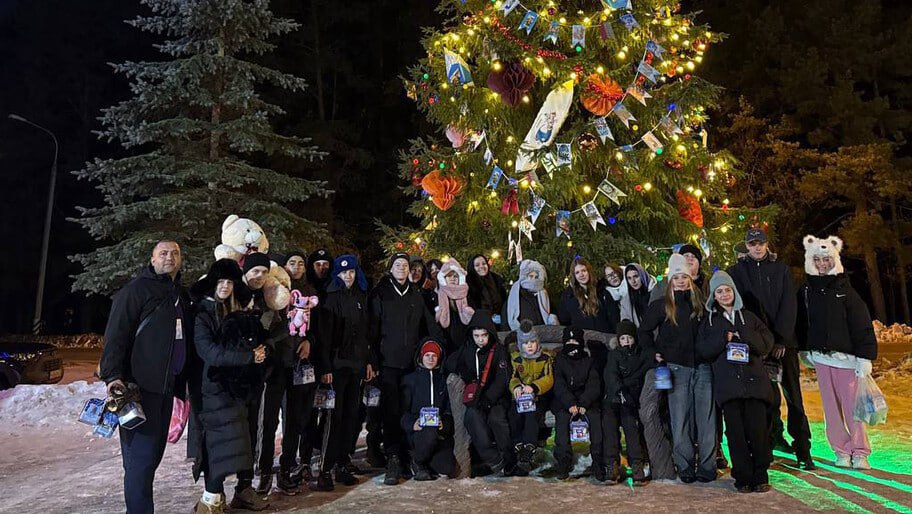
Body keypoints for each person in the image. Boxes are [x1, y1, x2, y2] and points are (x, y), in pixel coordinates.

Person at [100, 240, 191, 514]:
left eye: (175, 253)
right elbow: (116, 335)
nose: (169, 257)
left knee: (152, 457)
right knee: (140, 460)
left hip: (166, 388)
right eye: (163, 253)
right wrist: (112, 376)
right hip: (138, 390)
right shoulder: (136, 291)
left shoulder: (179, 293)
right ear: (152, 260)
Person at [727, 228, 813, 470]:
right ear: (746, 246)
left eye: (760, 243)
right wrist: (759, 341)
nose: (757, 247)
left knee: (793, 396)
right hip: (757, 346)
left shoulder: (781, 270)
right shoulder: (736, 273)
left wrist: (781, 340)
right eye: (752, 243)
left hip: (784, 345)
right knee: (765, 398)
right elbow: (741, 309)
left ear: (767, 245)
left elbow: (789, 304)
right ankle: (770, 441)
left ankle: (802, 448)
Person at [190, 259, 269, 513]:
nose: (225, 286)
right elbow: (209, 352)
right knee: (219, 445)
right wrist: (249, 357)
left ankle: (232, 494)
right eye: (221, 281)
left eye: (230, 282)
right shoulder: (202, 314)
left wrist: (260, 350)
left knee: (237, 442)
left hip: (237, 389)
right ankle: (211, 499)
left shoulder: (238, 311)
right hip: (213, 388)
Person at [797, 235, 877, 470]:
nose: (822, 264)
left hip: (846, 360)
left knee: (853, 408)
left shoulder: (845, 290)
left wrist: (865, 356)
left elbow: (861, 324)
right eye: (817, 260)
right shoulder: (806, 291)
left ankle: (860, 451)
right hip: (821, 360)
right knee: (831, 410)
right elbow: (801, 322)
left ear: (834, 261)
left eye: (826, 260)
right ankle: (841, 450)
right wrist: (804, 348)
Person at [639, 253, 715, 483]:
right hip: (676, 369)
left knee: (706, 419)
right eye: (676, 277)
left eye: (684, 277)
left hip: (702, 367)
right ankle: (685, 465)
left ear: (690, 279)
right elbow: (643, 332)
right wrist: (653, 353)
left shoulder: (701, 303)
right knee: (680, 419)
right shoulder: (661, 305)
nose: (681, 281)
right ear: (670, 280)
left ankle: (707, 466)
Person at [698, 271, 775, 493]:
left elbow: (766, 343)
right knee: (736, 435)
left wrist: (745, 335)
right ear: (713, 296)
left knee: (758, 432)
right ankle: (742, 477)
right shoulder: (709, 322)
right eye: (719, 291)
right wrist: (723, 339)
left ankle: (760, 475)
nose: (724, 295)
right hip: (729, 388)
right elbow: (703, 350)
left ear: (734, 292)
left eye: (727, 290)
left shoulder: (749, 317)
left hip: (754, 385)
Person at [369, 252, 442, 485]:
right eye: (397, 265)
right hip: (388, 363)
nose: (402, 268)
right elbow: (372, 329)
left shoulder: (415, 294)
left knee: (410, 409)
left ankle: (412, 456)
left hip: (411, 364)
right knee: (391, 412)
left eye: (405, 265)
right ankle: (393, 457)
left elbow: (428, 325)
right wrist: (372, 359)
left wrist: (437, 346)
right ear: (391, 268)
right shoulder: (381, 293)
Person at [256, 250, 317, 496]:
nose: (297, 267)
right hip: (275, 365)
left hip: (298, 365)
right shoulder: (274, 290)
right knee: (269, 421)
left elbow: (316, 326)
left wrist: (309, 340)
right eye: (292, 263)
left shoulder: (309, 291)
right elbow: (264, 325)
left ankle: (286, 468)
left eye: (301, 263)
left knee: (293, 420)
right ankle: (264, 471)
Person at [312, 254, 376, 490]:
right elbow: (324, 336)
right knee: (333, 417)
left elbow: (366, 333)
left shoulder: (361, 295)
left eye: (351, 272)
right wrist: (325, 366)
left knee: (351, 416)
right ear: (337, 274)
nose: (348, 276)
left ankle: (342, 463)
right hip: (337, 367)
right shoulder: (330, 297)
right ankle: (324, 469)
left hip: (356, 365)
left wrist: (368, 361)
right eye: (343, 272)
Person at [446, 310, 513, 475]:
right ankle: (495, 460)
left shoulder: (498, 350)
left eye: (484, 335)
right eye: (476, 336)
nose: (480, 339)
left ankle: (509, 459)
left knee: (497, 420)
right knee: (471, 418)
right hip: (476, 398)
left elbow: (503, 378)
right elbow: (452, 363)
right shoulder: (468, 349)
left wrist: (489, 398)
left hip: (496, 398)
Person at [401, 338, 457, 481]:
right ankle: (416, 461)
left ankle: (425, 464)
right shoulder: (410, 380)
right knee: (429, 433)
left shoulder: (443, 380)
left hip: (438, 434)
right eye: (427, 355)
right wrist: (412, 424)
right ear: (421, 356)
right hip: (418, 432)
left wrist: (444, 424)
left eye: (434, 356)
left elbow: (448, 410)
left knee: (448, 468)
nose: (430, 359)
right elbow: (402, 411)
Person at [552, 326, 604, 481]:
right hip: (565, 402)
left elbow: (594, 385)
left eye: (575, 341)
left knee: (595, 419)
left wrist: (584, 403)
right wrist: (570, 403)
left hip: (586, 402)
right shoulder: (559, 361)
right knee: (562, 420)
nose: (572, 344)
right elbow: (559, 384)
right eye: (568, 341)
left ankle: (598, 460)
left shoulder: (589, 361)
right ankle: (563, 460)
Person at [602, 320, 649, 485]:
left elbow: (639, 376)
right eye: (623, 338)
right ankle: (611, 465)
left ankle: (636, 465)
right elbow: (610, 374)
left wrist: (628, 393)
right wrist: (619, 389)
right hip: (614, 398)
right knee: (610, 430)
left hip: (630, 400)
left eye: (629, 338)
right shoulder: (614, 355)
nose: (626, 341)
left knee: (632, 430)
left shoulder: (640, 355)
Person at [508, 320, 554, 476]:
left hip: (538, 397)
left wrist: (534, 387)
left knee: (532, 416)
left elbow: (548, 378)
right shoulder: (516, 359)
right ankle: (517, 446)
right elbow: (512, 377)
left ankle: (529, 447)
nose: (529, 346)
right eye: (526, 343)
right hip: (520, 397)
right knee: (514, 415)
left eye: (532, 342)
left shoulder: (545, 358)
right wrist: (516, 387)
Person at [558, 257, 614, 332]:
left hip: (605, 335)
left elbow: (613, 317)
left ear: (589, 271)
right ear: (574, 276)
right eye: (577, 272)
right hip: (582, 337)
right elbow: (564, 320)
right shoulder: (568, 296)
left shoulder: (602, 291)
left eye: (583, 271)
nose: (581, 275)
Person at [434, 258, 475, 355]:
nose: (452, 278)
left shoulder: (467, 294)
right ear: (444, 278)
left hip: (465, 338)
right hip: (446, 339)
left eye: (455, 276)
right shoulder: (438, 295)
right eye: (449, 276)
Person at [506, 259, 559, 330]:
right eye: (531, 276)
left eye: (536, 277)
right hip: (522, 333)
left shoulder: (543, 294)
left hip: (543, 332)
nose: (533, 279)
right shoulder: (516, 294)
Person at [466, 254, 508, 329]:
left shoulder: (497, 281)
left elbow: (504, 301)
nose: (481, 266)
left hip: (500, 324)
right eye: (477, 265)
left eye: (484, 263)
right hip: (480, 327)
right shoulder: (468, 285)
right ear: (472, 267)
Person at [597, 262, 624, 333]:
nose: (613, 277)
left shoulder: (630, 284)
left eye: (614, 273)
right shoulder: (607, 295)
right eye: (609, 276)